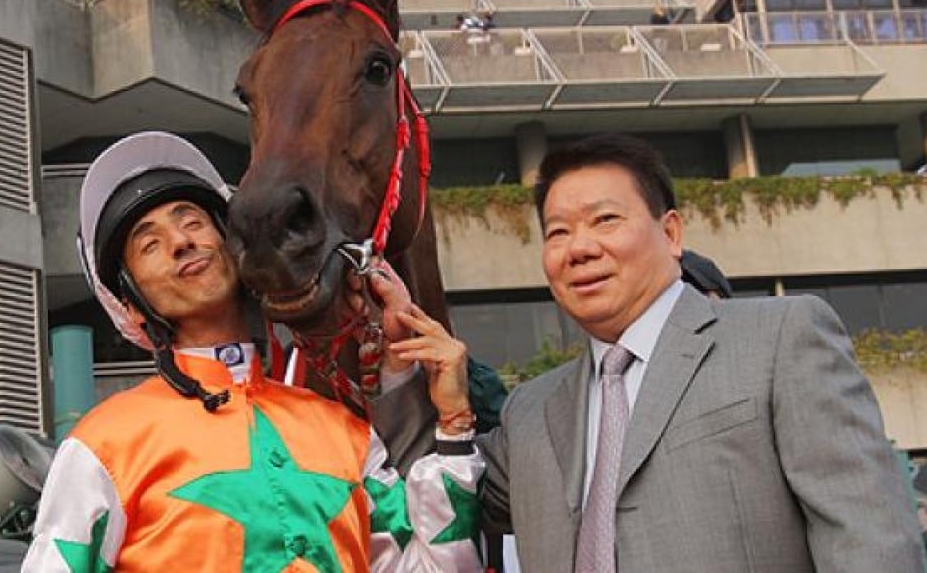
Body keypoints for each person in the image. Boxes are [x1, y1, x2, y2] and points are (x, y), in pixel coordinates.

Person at [373, 133, 925, 572]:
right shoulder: (532, 412)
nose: (580, 248)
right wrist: (434, 397)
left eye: (605, 220)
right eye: (558, 231)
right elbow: (442, 508)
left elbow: (868, 537)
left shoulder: (780, 338)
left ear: (672, 232)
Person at [22, 131, 483, 572]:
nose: (181, 242)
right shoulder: (103, 444)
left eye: (193, 222)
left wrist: (454, 427)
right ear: (132, 307)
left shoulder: (345, 433)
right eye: (150, 244)